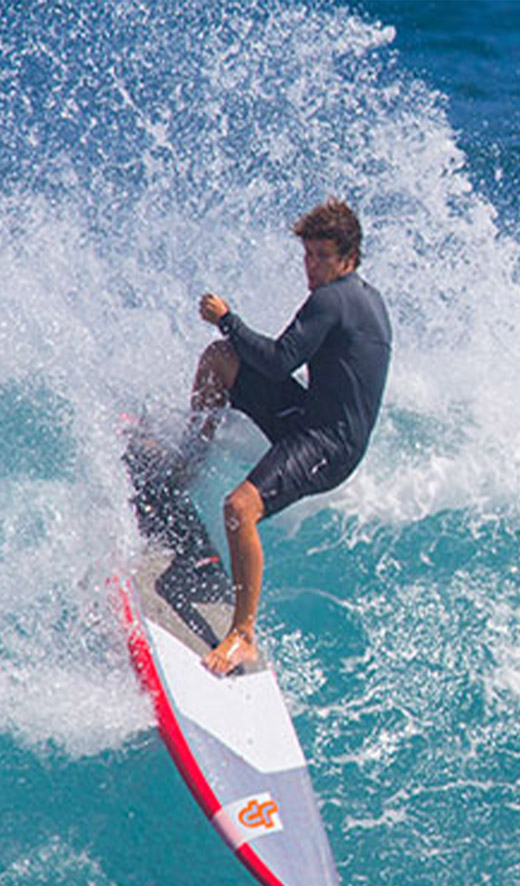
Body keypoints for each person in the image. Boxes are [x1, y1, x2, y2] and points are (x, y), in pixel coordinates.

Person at [190, 198, 391, 675]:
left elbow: (280, 361)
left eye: (323, 256)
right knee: (220, 359)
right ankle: (190, 458)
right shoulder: (362, 296)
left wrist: (227, 318)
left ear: (349, 259)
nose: (312, 266)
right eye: (308, 255)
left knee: (240, 508)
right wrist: (230, 337)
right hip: (309, 417)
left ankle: (243, 635)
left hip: (327, 445)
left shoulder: (334, 298)